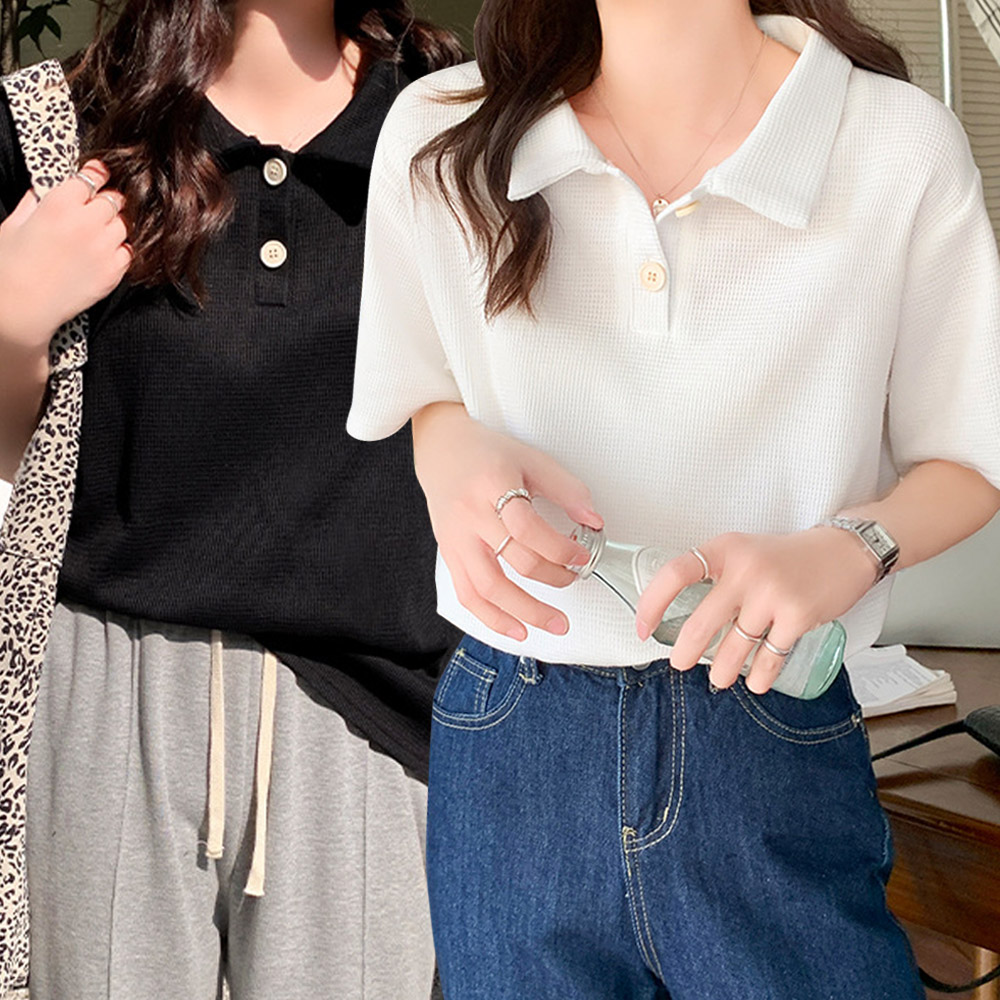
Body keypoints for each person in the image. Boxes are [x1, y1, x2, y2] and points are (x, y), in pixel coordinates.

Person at [346, 0, 1000, 996]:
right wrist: (447, 449)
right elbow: (420, 389)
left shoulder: (892, 143)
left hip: (768, 723)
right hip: (515, 738)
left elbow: (969, 458)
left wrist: (849, 546)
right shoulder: (442, 131)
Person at [0, 1, 462, 996]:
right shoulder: (56, 124)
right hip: (110, 699)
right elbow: (12, 460)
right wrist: (10, 320)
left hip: (367, 722)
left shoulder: (456, 124)